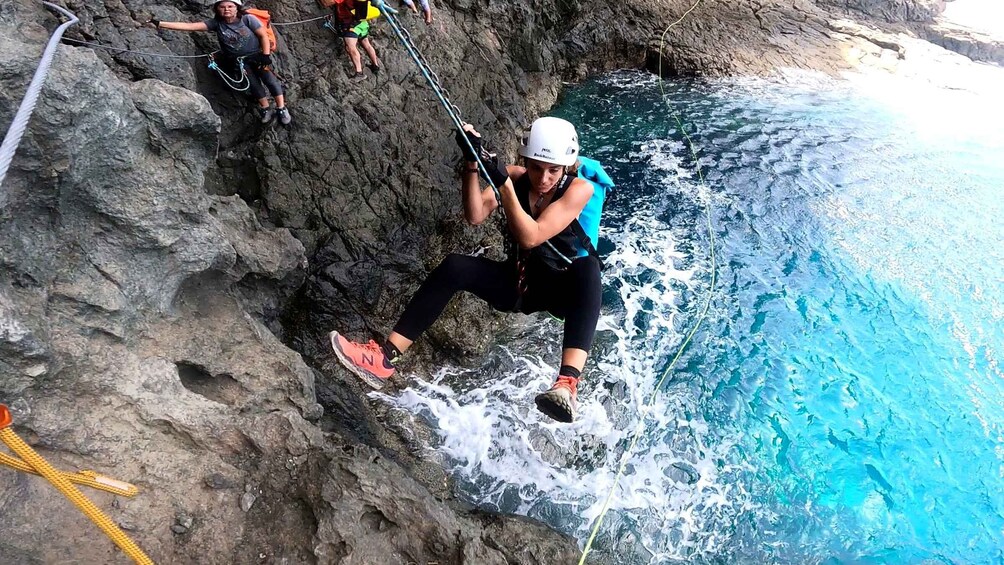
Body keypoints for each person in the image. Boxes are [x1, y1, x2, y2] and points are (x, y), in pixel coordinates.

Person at [329, 117, 614, 424]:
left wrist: (503, 184)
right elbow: (475, 215)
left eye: (553, 171)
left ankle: (567, 385)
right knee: (455, 267)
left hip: (560, 289)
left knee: (588, 268)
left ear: (565, 167)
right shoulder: (517, 179)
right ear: (526, 161)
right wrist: (472, 165)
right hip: (519, 284)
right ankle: (384, 358)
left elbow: (532, 235)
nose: (543, 178)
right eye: (535, 167)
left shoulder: (579, 190)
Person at [154, 0, 291, 125]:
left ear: (237, 8)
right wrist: (160, 24)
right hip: (240, 62)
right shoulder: (216, 24)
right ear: (217, 9)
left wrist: (265, 56)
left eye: (230, 6)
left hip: (257, 56)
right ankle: (266, 108)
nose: (226, 9)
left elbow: (263, 36)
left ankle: (281, 108)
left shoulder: (248, 19)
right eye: (222, 7)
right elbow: (190, 26)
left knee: (270, 80)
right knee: (253, 85)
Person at [332, 0, 382, 81]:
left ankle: (359, 73)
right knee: (366, 43)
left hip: (351, 24)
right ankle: (375, 66)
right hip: (362, 22)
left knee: (350, 47)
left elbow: (326, 3)